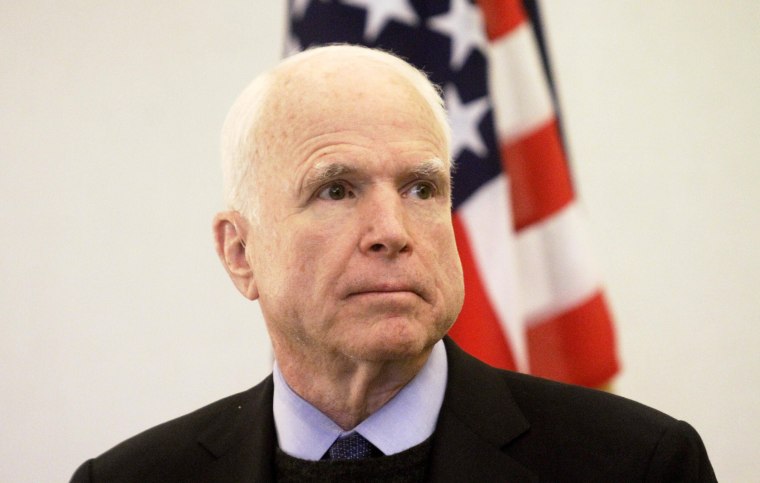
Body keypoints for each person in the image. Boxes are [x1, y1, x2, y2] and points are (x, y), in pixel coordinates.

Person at [70, 45, 715, 482]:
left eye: (421, 188)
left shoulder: (639, 466)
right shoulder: (127, 479)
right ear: (241, 254)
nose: (392, 232)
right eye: (337, 189)